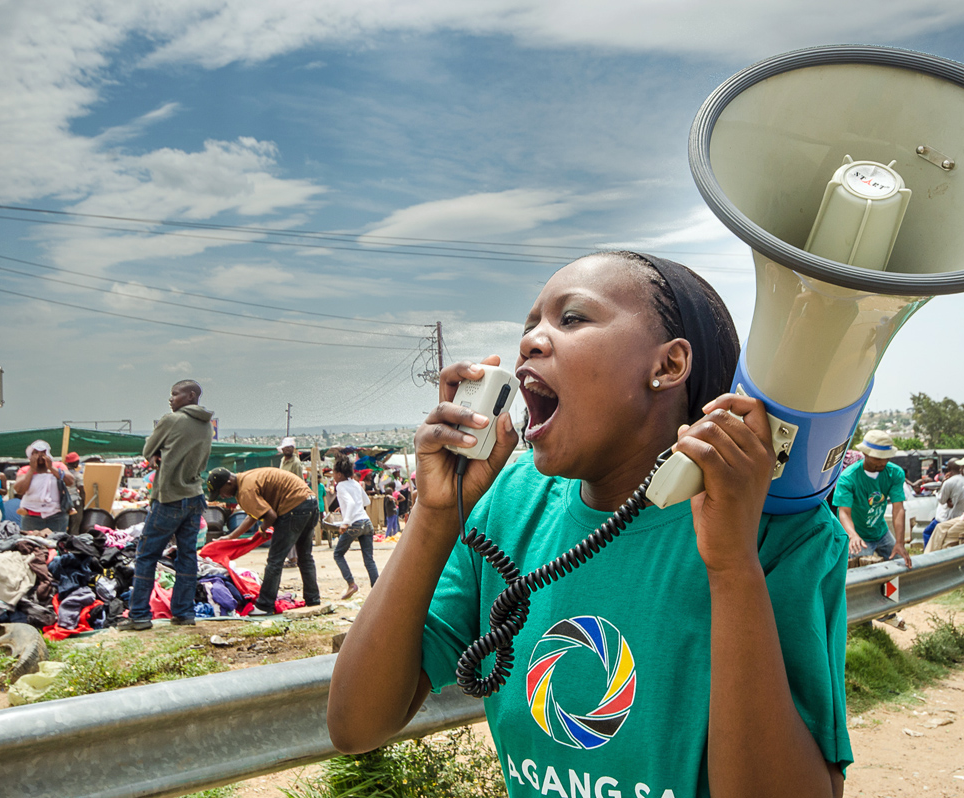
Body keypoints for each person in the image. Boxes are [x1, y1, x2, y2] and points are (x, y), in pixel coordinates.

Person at [327, 251, 852, 797]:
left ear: (668, 366)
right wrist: (436, 514)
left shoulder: (785, 531)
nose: (530, 340)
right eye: (530, 326)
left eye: (572, 318)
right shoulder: (507, 501)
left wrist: (732, 563)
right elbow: (355, 725)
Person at [119, 379, 213, 631]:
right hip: (194, 497)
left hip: (169, 497)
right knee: (187, 556)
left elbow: (148, 448)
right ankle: (183, 612)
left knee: (147, 555)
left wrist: (159, 454)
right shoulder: (207, 426)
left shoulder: (172, 420)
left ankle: (139, 614)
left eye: (175, 394)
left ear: (191, 395)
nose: (170, 399)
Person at [208, 466, 321, 614]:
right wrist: (231, 537)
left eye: (220, 491)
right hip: (310, 502)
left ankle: (264, 605)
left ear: (229, 482)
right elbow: (253, 514)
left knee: (275, 560)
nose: (222, 496)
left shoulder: (245, 490)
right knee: (305, 556)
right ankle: (313, 599)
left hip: (294, 507)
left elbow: (270, 516)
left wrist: (262, 530)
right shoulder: (246, 478)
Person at [834, 430, 912, 567]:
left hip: (881, 531)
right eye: (877, 458)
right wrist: (853, 536)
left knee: (900, 564)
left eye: (886, 458)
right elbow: (844, 512)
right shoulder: (848, 478)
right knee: (863, 569)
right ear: (865, 454)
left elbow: (898, 509)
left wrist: (900, 542)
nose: (883, 463)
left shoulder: (894, 473)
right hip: (859, 534)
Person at [331, 454, 378, 601]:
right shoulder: (355, 483)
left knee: (338, 554)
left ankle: (351, 584)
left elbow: (351, 504)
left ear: (339, 474)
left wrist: (346, 521)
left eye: (333, 473)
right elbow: (365, 501)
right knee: (369, 559)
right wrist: (343, 507)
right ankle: (377, 591)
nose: (332, 475)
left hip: (354, 523)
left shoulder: (340, 486)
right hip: (366, 521)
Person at [13, 441, 74, 533]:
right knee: (32, 544)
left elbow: (70, 481)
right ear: (31, 455)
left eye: (43, 453)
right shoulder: (25, 470)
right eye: (36, 453)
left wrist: (51, 468)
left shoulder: (58, 466)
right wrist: (32, 470)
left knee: (56, 543)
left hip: (57, 516)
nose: (40, 456)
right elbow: (19, 490)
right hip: (32, 517)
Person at [921, 460, 964, 548]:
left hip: (946, 518)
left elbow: (942, 500)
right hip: (960, 516)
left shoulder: (949, 482)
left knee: (927, 532)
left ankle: (928, 554)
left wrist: (936, 493)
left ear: (948, 469)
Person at [277, 437, 305, 567]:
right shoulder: (283, 461)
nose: (288, 449)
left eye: (290, 447)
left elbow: (299, 482)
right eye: (286, 447)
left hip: (292, 499)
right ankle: (291, 556)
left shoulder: (296, 464)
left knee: (290, 529)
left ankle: (294, 558)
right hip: (283, 498)